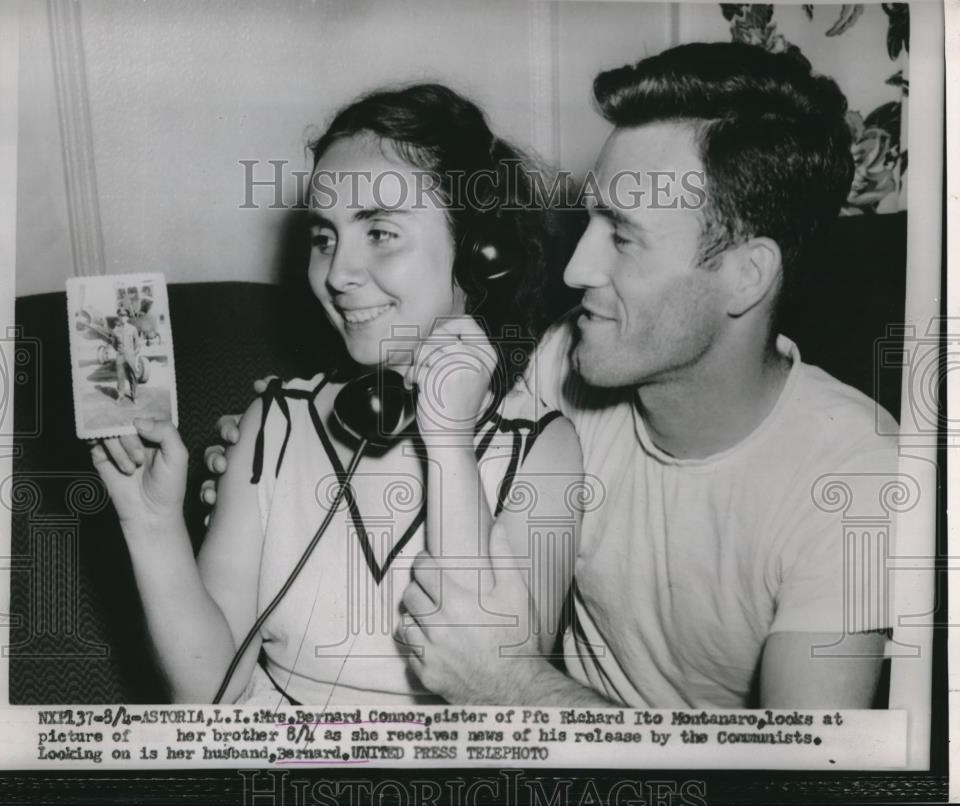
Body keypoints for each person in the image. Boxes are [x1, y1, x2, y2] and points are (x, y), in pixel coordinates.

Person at [208, 42, 899, 708]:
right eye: (590, 219)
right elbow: (452, 433)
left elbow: (814, 770)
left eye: (622, 236)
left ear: (746, 275)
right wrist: (275, 458)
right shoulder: (568, 357)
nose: (576, 269)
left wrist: (511, 686)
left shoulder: (857, 473)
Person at [90, 83, 583, 705]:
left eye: (380, 232)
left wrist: (449, 444)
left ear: (480, 253)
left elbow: (496, 692)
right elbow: (206, 692)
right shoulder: (275, 421)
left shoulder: (541, 449)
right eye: (325, 238)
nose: (338, 274)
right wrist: (151, 522)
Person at [111, 306, 141, 405]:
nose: (122, 318)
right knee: (120, 377)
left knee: (133, 376)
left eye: (124, 316)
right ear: (118, 317)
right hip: (120, 356)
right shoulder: (115, 330)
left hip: (130, 356)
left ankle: (134, 396)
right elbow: (114, 344)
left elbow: (137, 344)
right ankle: (120, 396)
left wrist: (133, 353)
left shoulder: (133, 329)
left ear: (127, 317)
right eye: (121, 316)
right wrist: (120, 352)